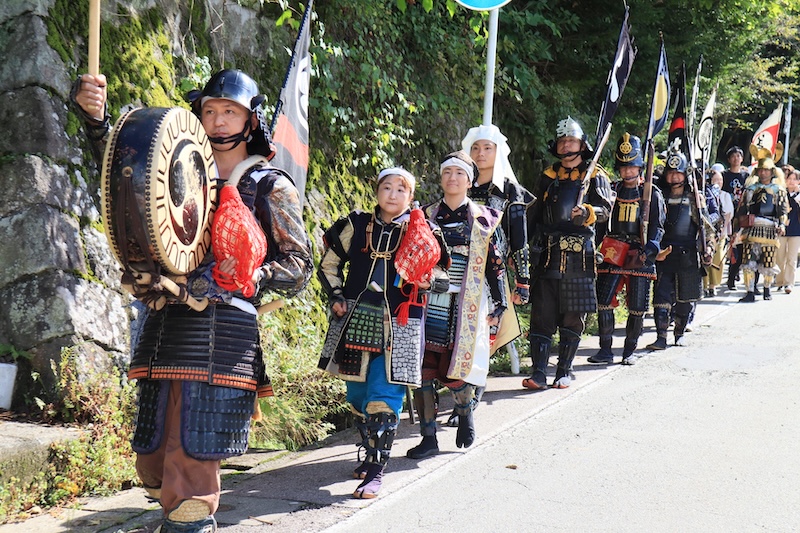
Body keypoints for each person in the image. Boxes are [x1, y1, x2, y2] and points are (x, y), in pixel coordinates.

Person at [72, 69, 314, 532]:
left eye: (230, 112)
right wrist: (98, 123)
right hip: (164, 319)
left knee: (191, 454)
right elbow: (127, 175)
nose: (219, 121)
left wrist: (252, 274)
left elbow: (299, 264)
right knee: (153, 454)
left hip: (223, 330)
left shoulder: (268, 184)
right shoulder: (177, 169)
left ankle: (190, 522)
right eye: (210, 111)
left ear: (250, 119)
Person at [317, 167, 448, 498]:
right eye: (387, 187)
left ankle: (376, 471)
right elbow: (329, 264)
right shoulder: (355, 225)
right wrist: (336, 296)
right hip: (356, 319)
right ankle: (369, 451)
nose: (393, 194)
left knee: (383, 398)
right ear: (377, 192)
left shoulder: (424, 230)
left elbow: (442, 275)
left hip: (401, 324)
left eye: (401, 189)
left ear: (410, 196)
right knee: (357, 397)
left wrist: (428, 281)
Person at [407, 151, 507, 459]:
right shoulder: (424, 215)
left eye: (459, 173)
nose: (452, 178)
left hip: (465, 306)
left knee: (456, 370)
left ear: (470, 180)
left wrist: (500, 302)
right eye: (447, 172)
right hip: (425, 302)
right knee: (421, 371)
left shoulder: (483, 219)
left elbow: (495, 263)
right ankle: (428, 437)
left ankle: (465, 411)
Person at [442, 125, 533, 426]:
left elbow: (519, 239)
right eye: (476, 148)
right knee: (452, 335)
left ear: (498, 152)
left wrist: (522, 281)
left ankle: (469, 399)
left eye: (487, 148)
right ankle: (460, 395)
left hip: (491, 272)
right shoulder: (461, 184)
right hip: (455, 272)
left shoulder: (509, 191)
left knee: (482, 336)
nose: (481, 154)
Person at [522, 117, 613, 389]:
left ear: (582, 145)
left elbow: (606, 209)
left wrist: (588, 212)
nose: (565, 146)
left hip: (580, 254)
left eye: (571, 141)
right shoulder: (548, 176)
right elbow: (533, 213)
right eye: (562, 141)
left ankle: (564, 370)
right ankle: (539, 372)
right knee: (542, 313)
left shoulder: (596, 175)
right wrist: (521, 245)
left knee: (573, 314)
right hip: (548, 252)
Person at [589, 133, 665, 366]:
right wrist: (593, 246)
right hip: (613, 249)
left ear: (640, 167)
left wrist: (651, 248)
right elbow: (601, 221)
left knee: (637, 306)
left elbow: (658, 226)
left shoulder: (651, 193)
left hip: (639, 252)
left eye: (631, 167)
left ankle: (629, 350)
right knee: (603, 300)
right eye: (624, 168)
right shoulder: (612, 191)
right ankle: (605, 350)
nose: (628, 172)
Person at [646, 150, 713, 350]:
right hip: (664, 253)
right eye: (671, 173)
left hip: (688, 255)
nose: (674, 177)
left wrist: (708, 248)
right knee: (661, 298)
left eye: (678, 173)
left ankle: (679, 333)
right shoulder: (659, 196)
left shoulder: (695, 199)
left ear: (685, 174)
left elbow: (707, 228)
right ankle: (660, 337)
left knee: (685, 299)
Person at [736, 144, 789, 302]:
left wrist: (782, 224)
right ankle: (750, 291)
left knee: (768, 260)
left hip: (770, 227)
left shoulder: (779, 190)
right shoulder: (750, 189)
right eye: (760, 170)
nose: (763, 172)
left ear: (772, 171)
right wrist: (738, 227)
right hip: (751, 228)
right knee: (748, 260)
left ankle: (767, 289)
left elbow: (782, 210)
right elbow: (742, 209)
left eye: (766, 170)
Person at [721, 145, 750, 291]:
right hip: (726, 215)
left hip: (741, 216)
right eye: (733, 156)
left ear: (742, 158)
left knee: (739, 248)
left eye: (738, 156)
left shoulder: (746, 177)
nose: (736, 158)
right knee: (727, 246)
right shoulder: (724, 175)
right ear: (728, 159)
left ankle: (733, 277)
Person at [704, 164, 734, 297]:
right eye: (716, 180)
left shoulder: (725, 195)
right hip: (707, 233)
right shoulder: (706, 193)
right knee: (705, 258)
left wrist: (723, 231)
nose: (718, 182)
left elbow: (728, 214)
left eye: (720, 180)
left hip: (720, 232)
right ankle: (704, 285)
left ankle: (713, 285)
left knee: (718, 258)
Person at [775, 166, 800, 293]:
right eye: (790, 178)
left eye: (795, 179)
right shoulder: (781, 192)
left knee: (792, 258)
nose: (792, 181)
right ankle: (779, 280)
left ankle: (789, 283)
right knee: (780, 257)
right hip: (782, 229)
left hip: (796, 229)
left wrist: (797, 194)